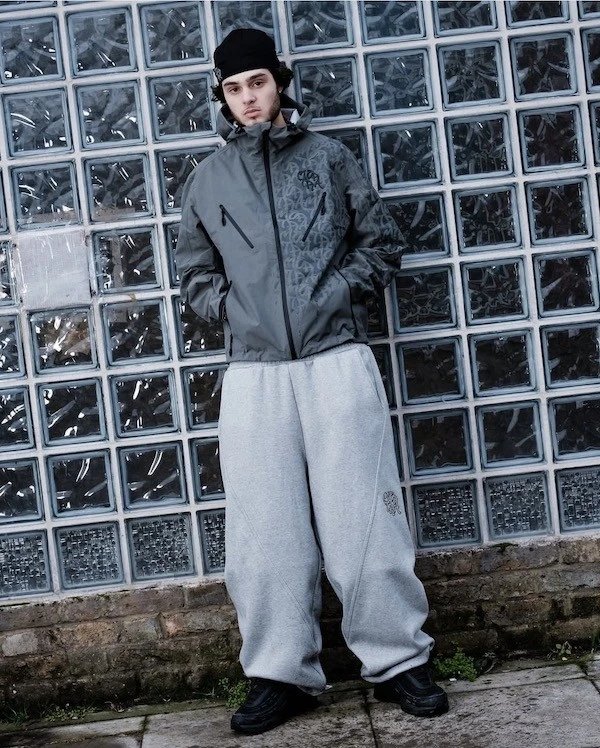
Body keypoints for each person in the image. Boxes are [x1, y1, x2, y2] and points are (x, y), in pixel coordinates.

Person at [175, 27, 449, 736]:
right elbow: (194, 274)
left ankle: (397, 660)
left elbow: (381, 244)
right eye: (234, 88)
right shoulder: (208, 180)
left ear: (279, 83)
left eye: (257, 82)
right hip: (255, 373)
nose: (248, 98)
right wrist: (236, 312)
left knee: (365, 520)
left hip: (337, 360)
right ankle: (279, 675)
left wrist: (336, 297)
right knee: (264, 532)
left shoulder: (329, 159)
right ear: (222, 97)